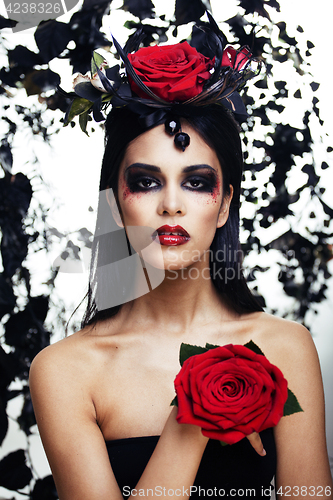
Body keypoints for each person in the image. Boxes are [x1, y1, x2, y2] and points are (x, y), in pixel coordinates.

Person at [29, 15, 332, 500]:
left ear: (226, 202)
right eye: (147, 181)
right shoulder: (66, 371)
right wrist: (192, 417)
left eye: (196, 182)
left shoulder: (285, 347)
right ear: (117, 199)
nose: (171, 204)